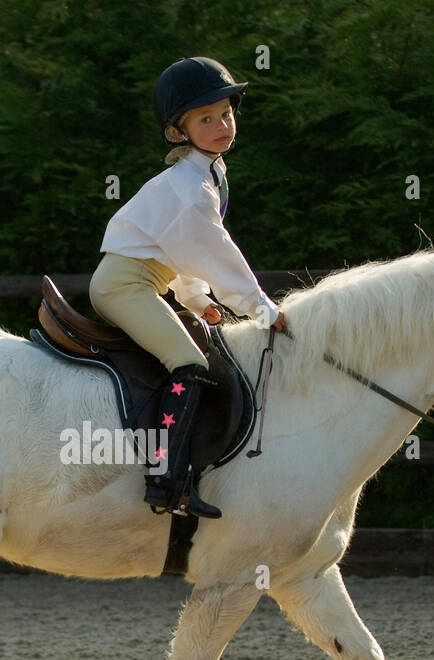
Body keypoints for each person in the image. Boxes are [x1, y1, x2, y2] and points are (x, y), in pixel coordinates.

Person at [89, 56, 287, 519]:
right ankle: (167, 481)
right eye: (205, 118)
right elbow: (213, 249)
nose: (221, 125)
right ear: (179, 131)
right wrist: (259, 308)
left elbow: (183, 251)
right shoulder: (189, 185)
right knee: (191, 365)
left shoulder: (201, 176)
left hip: (141, 282)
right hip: (126, 288)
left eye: (226, 114)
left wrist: (197, 299)